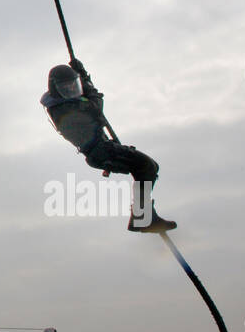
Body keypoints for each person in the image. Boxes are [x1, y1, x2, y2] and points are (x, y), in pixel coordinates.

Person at [40, 58, 174, 233]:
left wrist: (82, 76)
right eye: (67, 88)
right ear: (56, 90)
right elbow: (95, 105)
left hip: (102, 149)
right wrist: (86, 79)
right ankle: (142, 217)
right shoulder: (64, 110)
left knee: (147, 168)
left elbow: (88, 101)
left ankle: (142, 216)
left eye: (75, 85)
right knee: (146, 166)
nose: (73, 90)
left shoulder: (64, 103)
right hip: (102, 153)